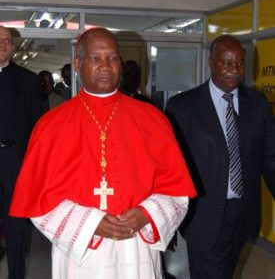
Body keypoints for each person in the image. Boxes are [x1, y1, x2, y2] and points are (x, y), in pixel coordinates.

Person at [9, 27, 197, 279]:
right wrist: (90, 223)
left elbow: (177, 191)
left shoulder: (151, 119)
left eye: (112, 57)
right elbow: (38, 202)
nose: (105, 65)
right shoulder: (52, 125)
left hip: (136, 246)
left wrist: (147, 214)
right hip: (81, 253)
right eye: (95, 58)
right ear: (77, 64)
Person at [165, 34, 275, 279]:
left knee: (226, 272)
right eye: (227, 63)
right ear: (212, 62)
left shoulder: (257, 103)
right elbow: (170, 168)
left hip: (243, 215)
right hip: (202, 217)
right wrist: (168, 223)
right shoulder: (182, 107)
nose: (234, 70)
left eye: (239, 63)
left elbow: (270, 158)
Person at [0, 25, 43, 279]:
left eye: (6, 41)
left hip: (15, 160)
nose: (3, 45)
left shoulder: (27, 80)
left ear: (13, 46)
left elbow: (36, 126)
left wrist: (31, 165)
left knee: (16, 224)